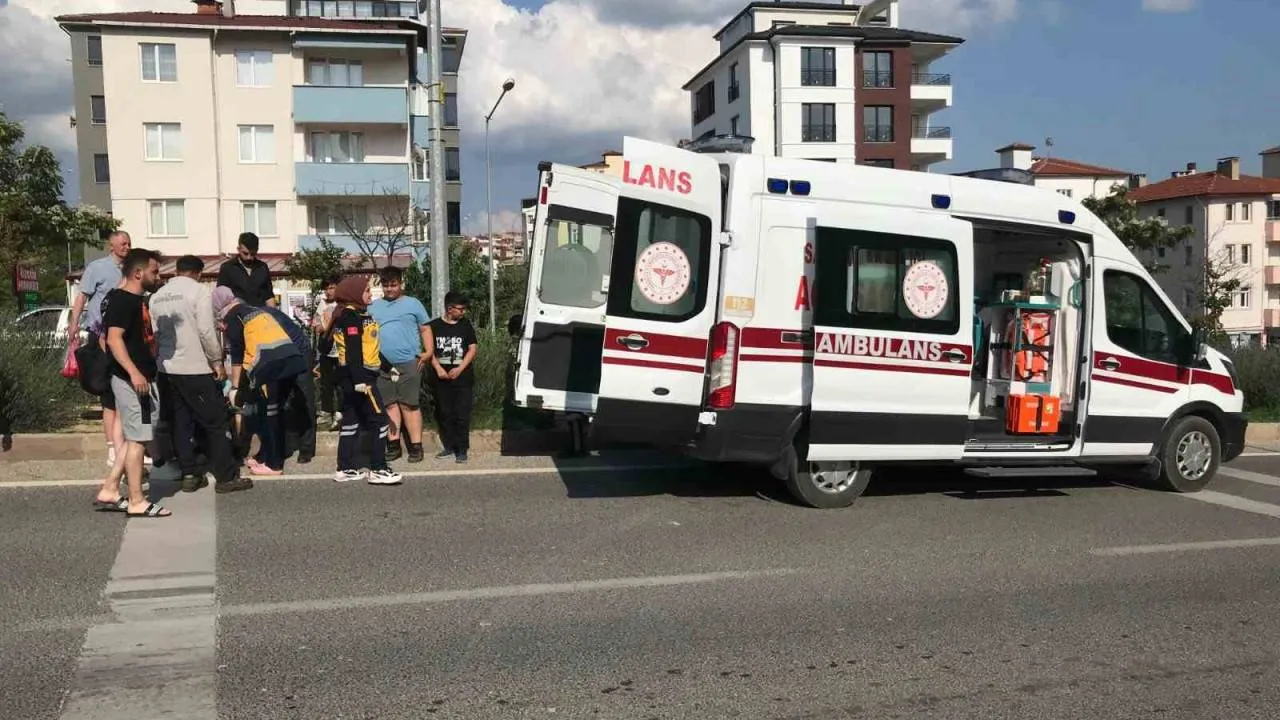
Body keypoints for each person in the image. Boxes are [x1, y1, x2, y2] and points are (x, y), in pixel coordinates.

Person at [149, 255, 253, 494]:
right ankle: (226, 477)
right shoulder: (199, 291)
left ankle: (189, 473)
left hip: (167, 369)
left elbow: (155, 334)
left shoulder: (157, 296)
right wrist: (217, 362)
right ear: (198, 272)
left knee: (179, 423)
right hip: (194, 367)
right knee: (215, 421)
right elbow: (206, 330)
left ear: (177, 270)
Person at [92, 248, 171, 518]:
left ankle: (111, 488)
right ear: (138, 273)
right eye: (154, 272)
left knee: (136, 435)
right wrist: (134, 373)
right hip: (132, 381)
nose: (157, 276)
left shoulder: (131, 299)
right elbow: (112, 339)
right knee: (138, 439)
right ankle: (137, 500)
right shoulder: (123, 301)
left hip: (141, 379)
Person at [213, 286, 309, 476]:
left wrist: (236, 388)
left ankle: (274, 465)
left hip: (270, 365)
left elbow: (239, 356)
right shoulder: (251, 310)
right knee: (274, 412)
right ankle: (266, 455)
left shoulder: (233, 318)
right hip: (291, 359)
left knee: (270, 414)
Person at [330, 275, 402, 485]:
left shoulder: (357, 315)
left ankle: (345, 468)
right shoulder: (350, 318)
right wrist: (359, 380)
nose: (371, 294)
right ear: (354, 294)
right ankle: (378, 468)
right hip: (361, 379)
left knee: (351, 421)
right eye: (367, 290)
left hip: (355, 377)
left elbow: (368, 348)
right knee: (380, 420)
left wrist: (388, 367)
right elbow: (354, 352)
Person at [69, 230, 130, 467]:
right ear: (111, 246)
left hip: (124, 336)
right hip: (100, 335)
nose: (127, 247)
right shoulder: (97, 268)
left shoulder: (132, 269)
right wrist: (74, 323)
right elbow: (81, 297)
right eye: (122, 244)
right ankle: (112, 448)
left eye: (129, 243)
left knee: (125, 392)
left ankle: (130, 444)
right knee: (108, 393)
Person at [369, 266, 431, 463]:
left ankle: (416, 446)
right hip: (381, 364)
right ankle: (393, 445)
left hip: (409, 361)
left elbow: (425, 329)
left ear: (401, 284)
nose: (389, 289)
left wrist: (428, 352)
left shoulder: (413, 304)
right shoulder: (374, 307)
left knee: (409, 405)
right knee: (389, 405)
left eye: (393, 285)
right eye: (386, 285)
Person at [426, 290, 478, 463]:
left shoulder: (465, 325)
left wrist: (460, 368)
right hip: (441, 378)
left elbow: (472, 349)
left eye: (464, 309)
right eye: (460, 309)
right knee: (445, 413)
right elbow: (429, 350)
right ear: (449, 309)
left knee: (461, 414)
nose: (463, 312)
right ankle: (449, 446)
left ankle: (462, 449)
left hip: (463, 378)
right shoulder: (434, 326)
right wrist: (438, 368)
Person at [311, 274, 342, 431]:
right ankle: (326, 412)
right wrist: (319, 326)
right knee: (326, 383)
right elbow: (316, 324)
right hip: (326, 348)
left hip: (341, 349)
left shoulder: (343, 304)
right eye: (327, 288)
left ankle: (340, 412)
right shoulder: (322, 304)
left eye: (332, 288)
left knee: (341, 383)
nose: (329, 291)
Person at [216, 232, 276, 307]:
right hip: (237, 313)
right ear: (238, 249)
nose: (249, 257)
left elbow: (269, 296)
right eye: (245, 253)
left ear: (257, 250)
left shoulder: (262, 267)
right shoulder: (227, 268)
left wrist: (273, 313)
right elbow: (221, 297)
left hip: (260, 313)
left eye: (252, 254)